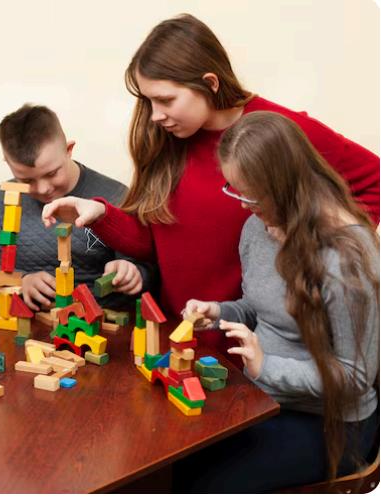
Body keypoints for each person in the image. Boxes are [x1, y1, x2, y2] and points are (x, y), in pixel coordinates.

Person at [41, 14, 379, 356]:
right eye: (148, 101)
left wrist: (319, 253)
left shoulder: (278, 132)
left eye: (166, 100)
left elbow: (374, 181)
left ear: (210, 83)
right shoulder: (164, 139)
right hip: (179, 336)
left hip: (254, 354)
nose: (155, 114)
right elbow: (155, 241)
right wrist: (100, 214)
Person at [173, 111, 379, 492]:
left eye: (249, 193)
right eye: (234, 189)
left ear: (284, 185)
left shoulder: (347, 260)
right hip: (266, 399)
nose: (242, 204)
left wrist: (266, 366)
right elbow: (260, 307)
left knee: (204, 484)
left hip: (331, 422)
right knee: (176, 463)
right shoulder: (258, 227)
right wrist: (217, 313)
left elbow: (354, 376)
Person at [0, 104, 154, 311]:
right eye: (26, 180)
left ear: (69, 150)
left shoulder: (117, 196)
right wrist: (22, 281)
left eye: (52, 174)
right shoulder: (2, 199)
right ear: (8, 164)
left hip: (101, 320)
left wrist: (131, 272)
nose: (43, 189)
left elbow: (148, 267)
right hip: (32, 321)